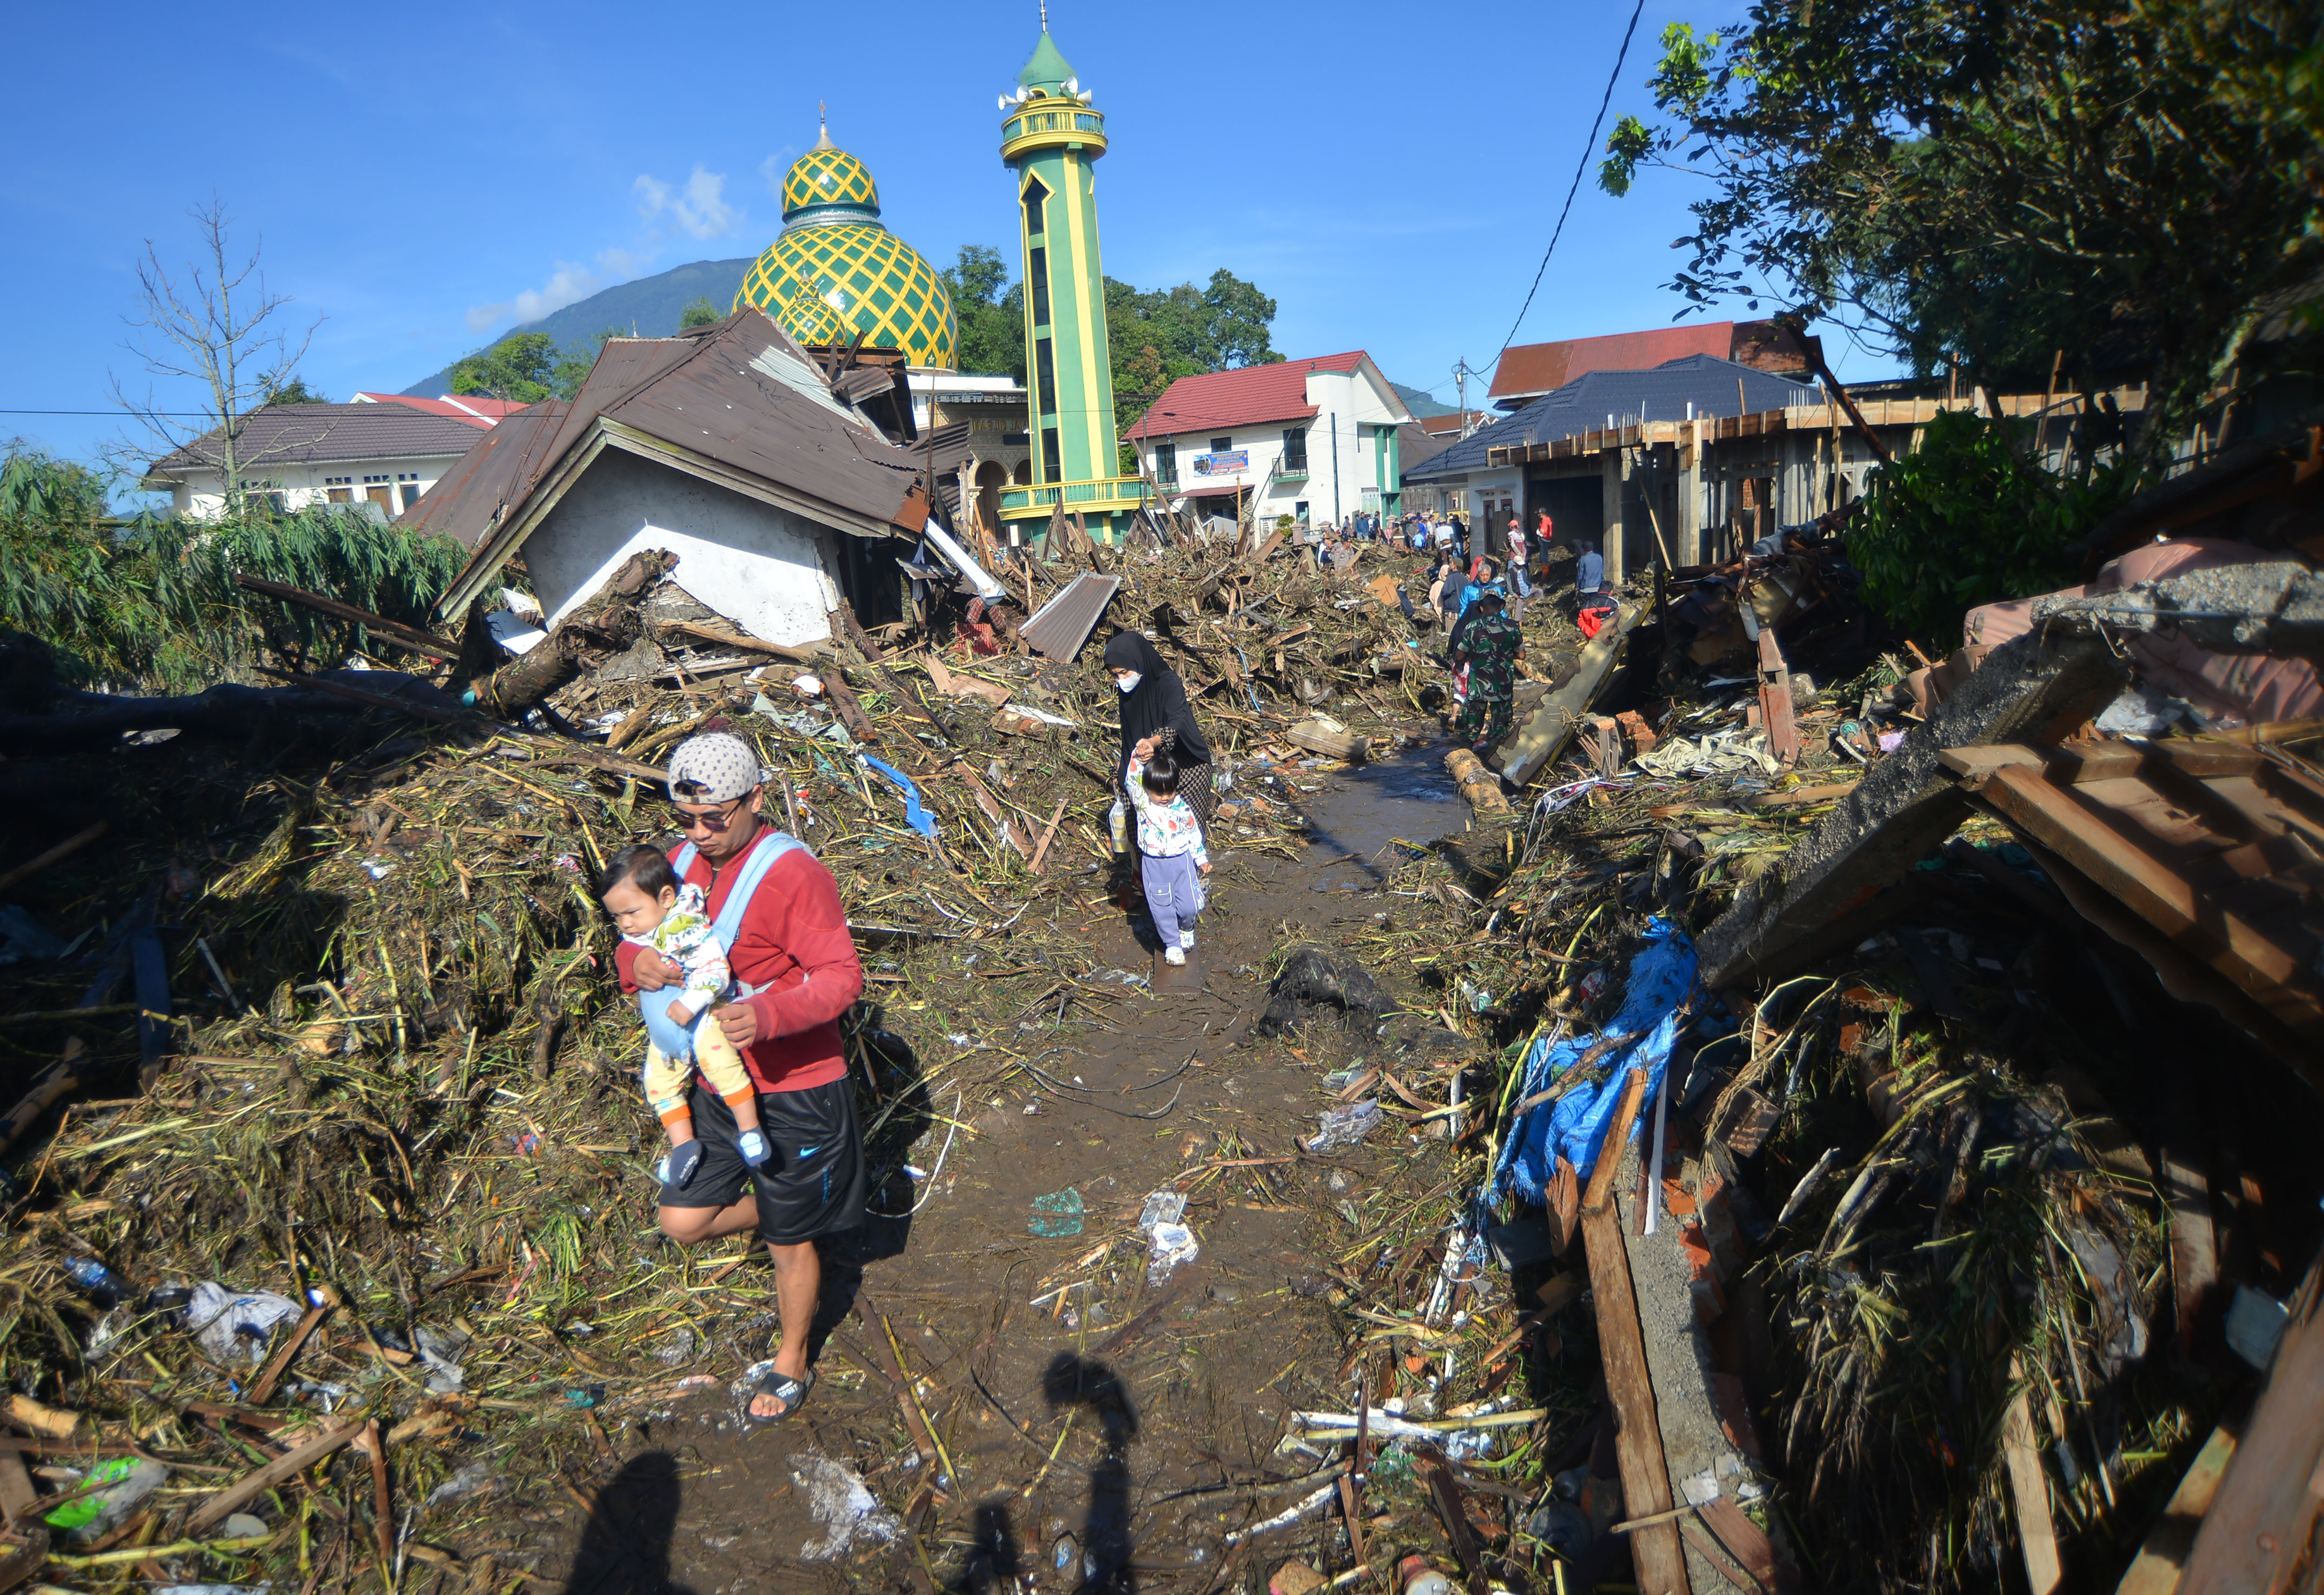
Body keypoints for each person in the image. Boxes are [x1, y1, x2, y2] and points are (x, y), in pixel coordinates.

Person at [619, 732, 865, 1426]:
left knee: (790, 1241)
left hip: (794, 1085)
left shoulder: (794, 875)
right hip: (718, 1083)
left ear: (756, 799)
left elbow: (844, 977)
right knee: (681, 1217)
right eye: (686, 819)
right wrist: (629, 964)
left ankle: (792, 1356)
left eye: (714, 818)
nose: (699, 835)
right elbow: (635, 934)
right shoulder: (676, 865)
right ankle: (799, 1199)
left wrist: (768, 1014)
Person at [599, 844, 768, 1187]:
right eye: (616, 917)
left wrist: (690, 1002)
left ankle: (751, 1129)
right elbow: (629, 953)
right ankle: (683, 1145)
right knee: (658, 1085)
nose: (625, 923)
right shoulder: (643, 931)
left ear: (665, 897)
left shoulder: (686, 928)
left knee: (721, 1066)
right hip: (667, 1033)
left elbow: (717, 971)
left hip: (704, 1016)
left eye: (631, 912)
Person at [1103, 631, 1215, 839]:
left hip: (1186, 770)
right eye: (1115, 675)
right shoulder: (1128, 691)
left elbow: (1178, 721)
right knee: (1147, 838)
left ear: (1139, 661)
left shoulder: (1168, 683)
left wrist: (1153, 742)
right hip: (1149, 771)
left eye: (1124, 672)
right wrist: (1125, 767)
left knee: (1184, 838)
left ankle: (1188, 872)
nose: (1121, 680)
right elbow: (1130, 734)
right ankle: (1146, 872)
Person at [1124, 742, 1211, 965]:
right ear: (1148, 790)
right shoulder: (1143, 803)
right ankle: (1172, 945)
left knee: (1189, 905)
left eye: (1170, 791)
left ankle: (1186, 928)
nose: (1165, 797)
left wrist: (1200, 858)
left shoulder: (1181, 809)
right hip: (1155, 865)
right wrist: (1137, 757)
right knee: (1162, 906)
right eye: (1159, 792)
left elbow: (1193, 833)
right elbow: (1131, 780)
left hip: (1182, 862)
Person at [1453, 588, 1523, 751]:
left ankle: (1465, 755)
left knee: (1470, 726)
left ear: (1482, 609)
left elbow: (1459, 655)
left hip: (1478, 685)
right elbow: (1521, 655)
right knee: (1500, 727)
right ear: (1501, 607)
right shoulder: (1512, 627)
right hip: (1502, 684)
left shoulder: (1472, 627)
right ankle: (1495, 759)